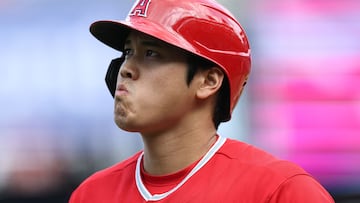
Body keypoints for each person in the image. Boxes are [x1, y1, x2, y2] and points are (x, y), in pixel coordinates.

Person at [70, 0, 335, 202]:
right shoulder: (91, 194)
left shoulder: (281, 190)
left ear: (208, 81)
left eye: (151, 53)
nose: (126, 68)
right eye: (128, 51)